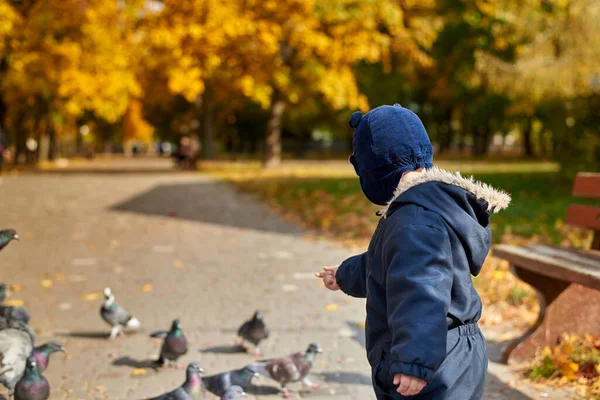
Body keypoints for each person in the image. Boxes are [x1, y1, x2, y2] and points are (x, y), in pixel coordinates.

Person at [315, 104, 510, 399]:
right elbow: (387, 265)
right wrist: (344, 275)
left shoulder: (415, 220)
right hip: (447, 351)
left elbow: (423, 287)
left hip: (435, 361)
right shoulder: (427, 207)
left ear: (373, 170)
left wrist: (413, 363)